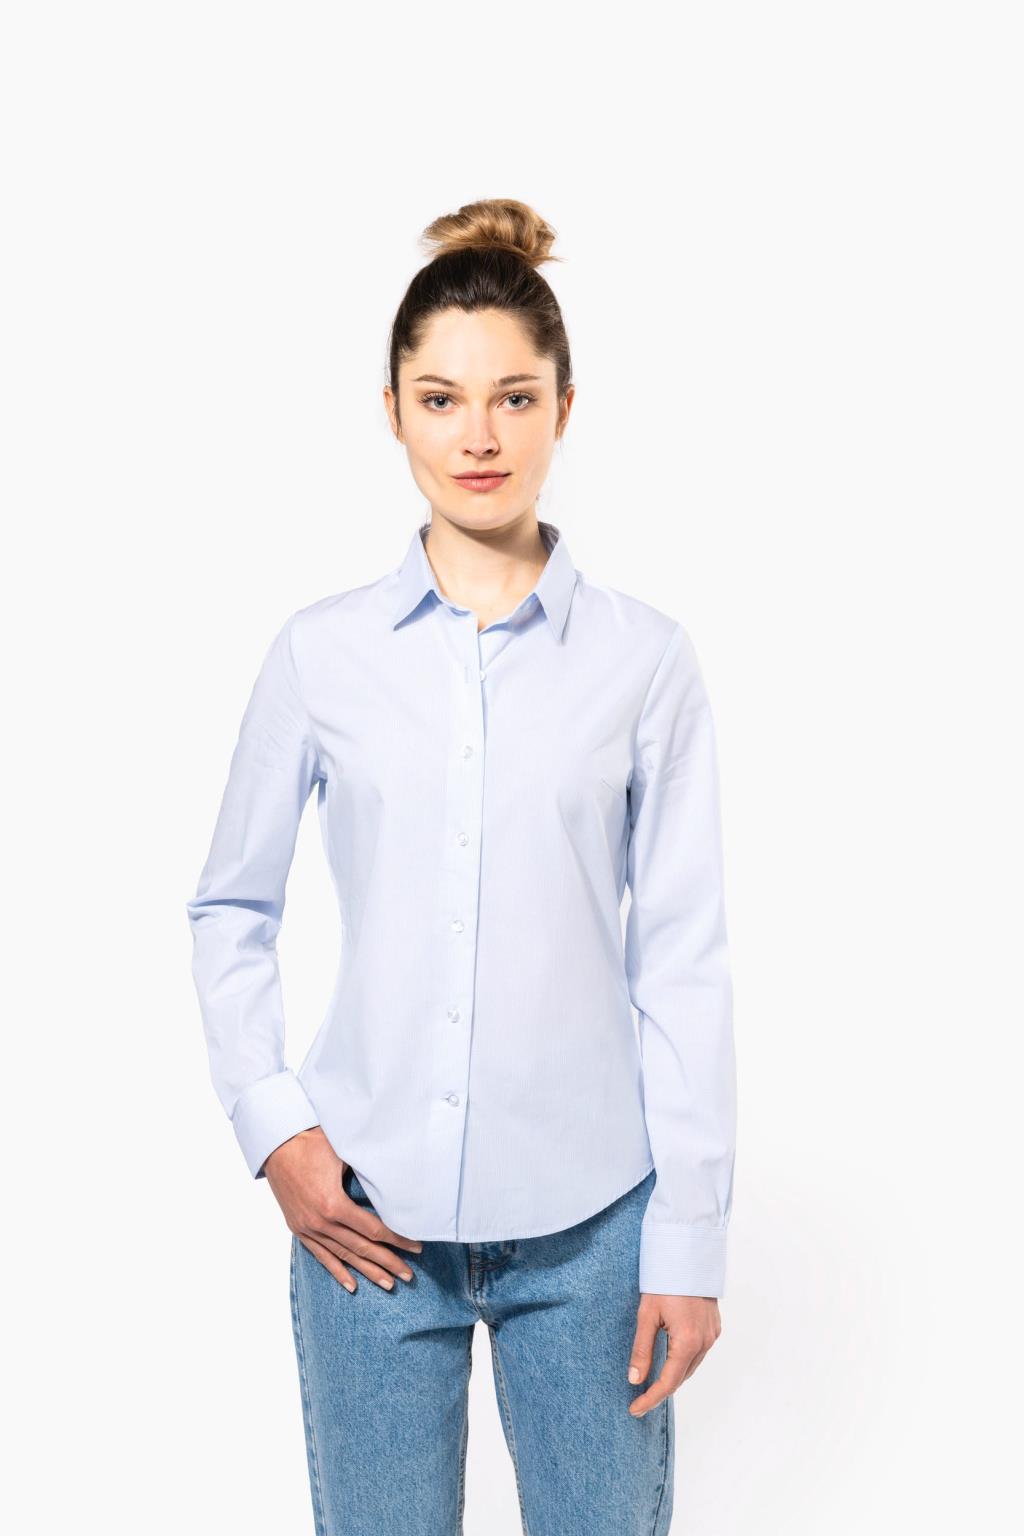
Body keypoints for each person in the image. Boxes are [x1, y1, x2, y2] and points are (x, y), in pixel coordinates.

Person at [186, 197, 737, 1536]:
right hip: (364, 1231)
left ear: (564, 410)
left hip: (593, 1238)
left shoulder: (644, 663)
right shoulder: (320, 655)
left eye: (513, 398)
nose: (478, 437)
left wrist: (690, 1240)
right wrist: (277, 1132)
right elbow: (231, 904)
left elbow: (683, 958)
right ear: (392, 412)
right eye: (441, 399)